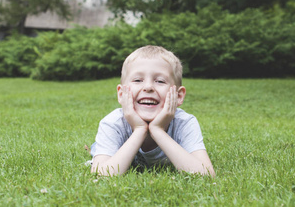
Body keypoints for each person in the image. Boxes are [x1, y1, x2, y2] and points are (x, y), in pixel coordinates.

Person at [90, 45, 215, 177]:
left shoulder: (184, 123)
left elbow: (206, 175)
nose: (148, 87)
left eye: (160, 81)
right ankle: (96, 149)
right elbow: (101, 175)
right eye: (138, 80)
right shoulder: (113, 123)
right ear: (121, 94)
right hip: (113, 142)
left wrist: (157, 130)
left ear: (178, 96)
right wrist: (139, 129)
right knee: (99, 149)